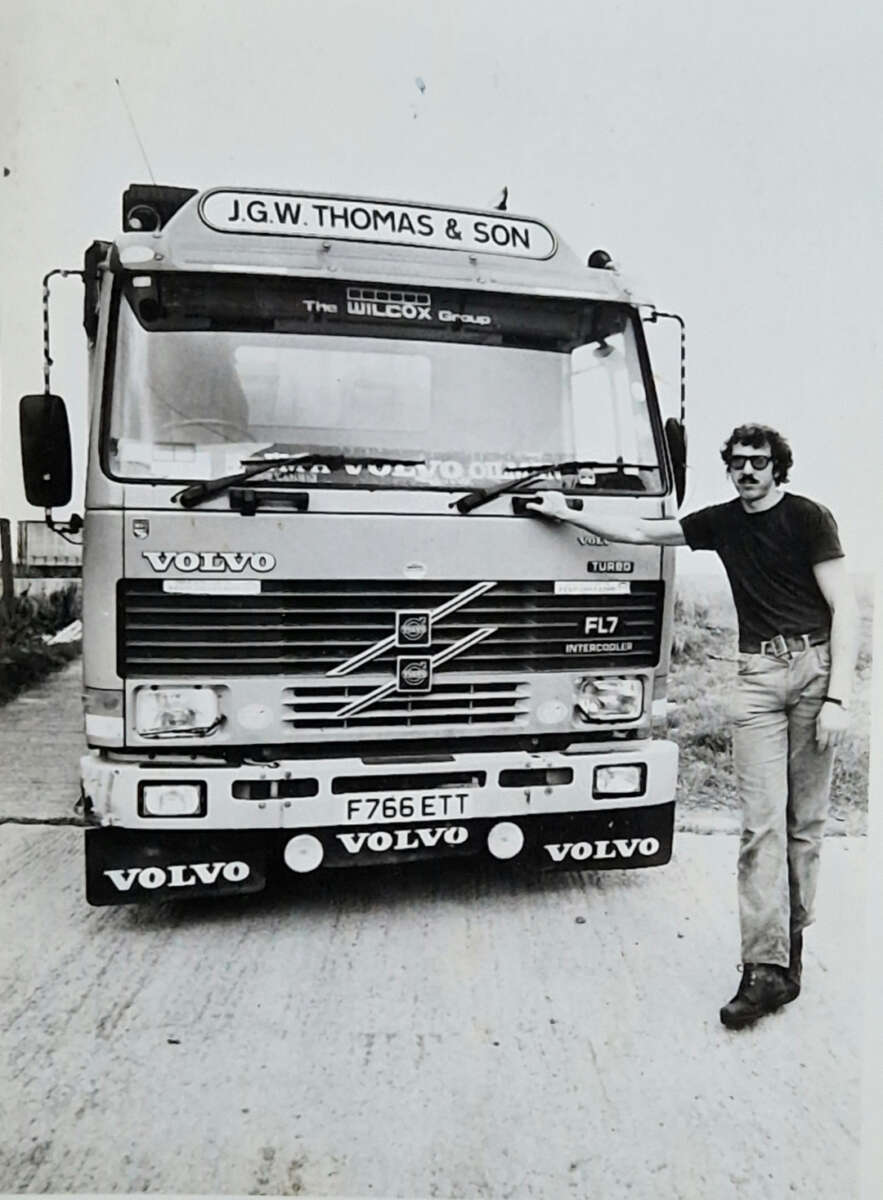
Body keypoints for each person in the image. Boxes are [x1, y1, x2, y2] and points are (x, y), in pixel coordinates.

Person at [525, 424, 857, 1029]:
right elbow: (640, 530)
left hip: (815, 671)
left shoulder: (810, 517)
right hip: (756, 677)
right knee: (761, 826)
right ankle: (762, 970)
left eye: (759, 462)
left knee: (802, 825)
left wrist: (840, 696)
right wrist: (565, 510)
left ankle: (791, 951)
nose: (747, 471)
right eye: (737, 463)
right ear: (728, 469)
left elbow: (846, 608)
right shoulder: (722, 522)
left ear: (780, 467)